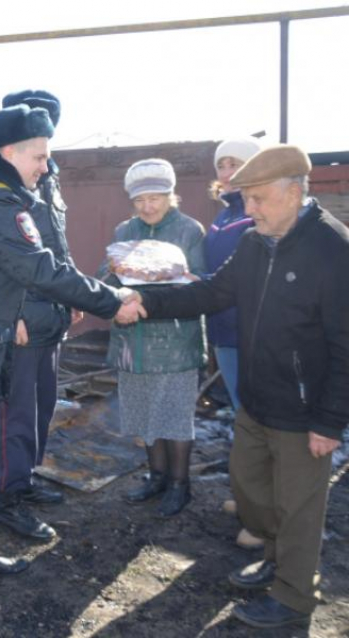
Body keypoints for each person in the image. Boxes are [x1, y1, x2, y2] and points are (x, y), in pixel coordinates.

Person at [0, 103, 141, 617]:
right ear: (10, 152)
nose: (45, 166)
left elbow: (16, 273)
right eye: (39, 156)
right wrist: (111, 300)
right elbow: (39, 268)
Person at [128, 144, 348, 629]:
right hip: (256, 399)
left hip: (304, 409)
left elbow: (345, 344)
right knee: (250, 489)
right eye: (245, 199)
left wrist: (330, 420)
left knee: (299, 508)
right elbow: (211, 292)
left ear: (293, 194)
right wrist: (145, 300)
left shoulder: (334, 249)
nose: (248, 210)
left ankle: (293, 597)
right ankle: (274, 557)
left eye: (257, 199)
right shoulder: (255, 243)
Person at [99, 159, 206, 518]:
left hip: (175, 341)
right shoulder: (124, 231)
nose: (147, 206)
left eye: (155, 198)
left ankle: (180, 484)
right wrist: (115, 279)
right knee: (143, 413)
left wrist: (172, 275)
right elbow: (107, 277)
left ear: (170, 195)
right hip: (133, 339)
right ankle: (156, 477)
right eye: (140, 200)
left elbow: (201, 286)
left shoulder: (190, 231)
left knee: (174, 415)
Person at [0, 90, 71, 542]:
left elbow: (58, 244)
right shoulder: (7, 184)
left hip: (51, 313)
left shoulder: (48, 178)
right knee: (14, 413)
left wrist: (72, 294)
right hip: (22, 318)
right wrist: (13, 314)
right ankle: (7, 494)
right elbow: (4, 257)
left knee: (41, 405)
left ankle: (26, 477)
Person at [205, 138, 265, 550]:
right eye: (223, 164)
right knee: (242, 419)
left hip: (254, 334)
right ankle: (249, 500)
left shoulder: (260, 214)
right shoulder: (225, 215)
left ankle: (263, 520)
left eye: (237, 164)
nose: (228, 171)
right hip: (224, 331)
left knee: (262, 423)